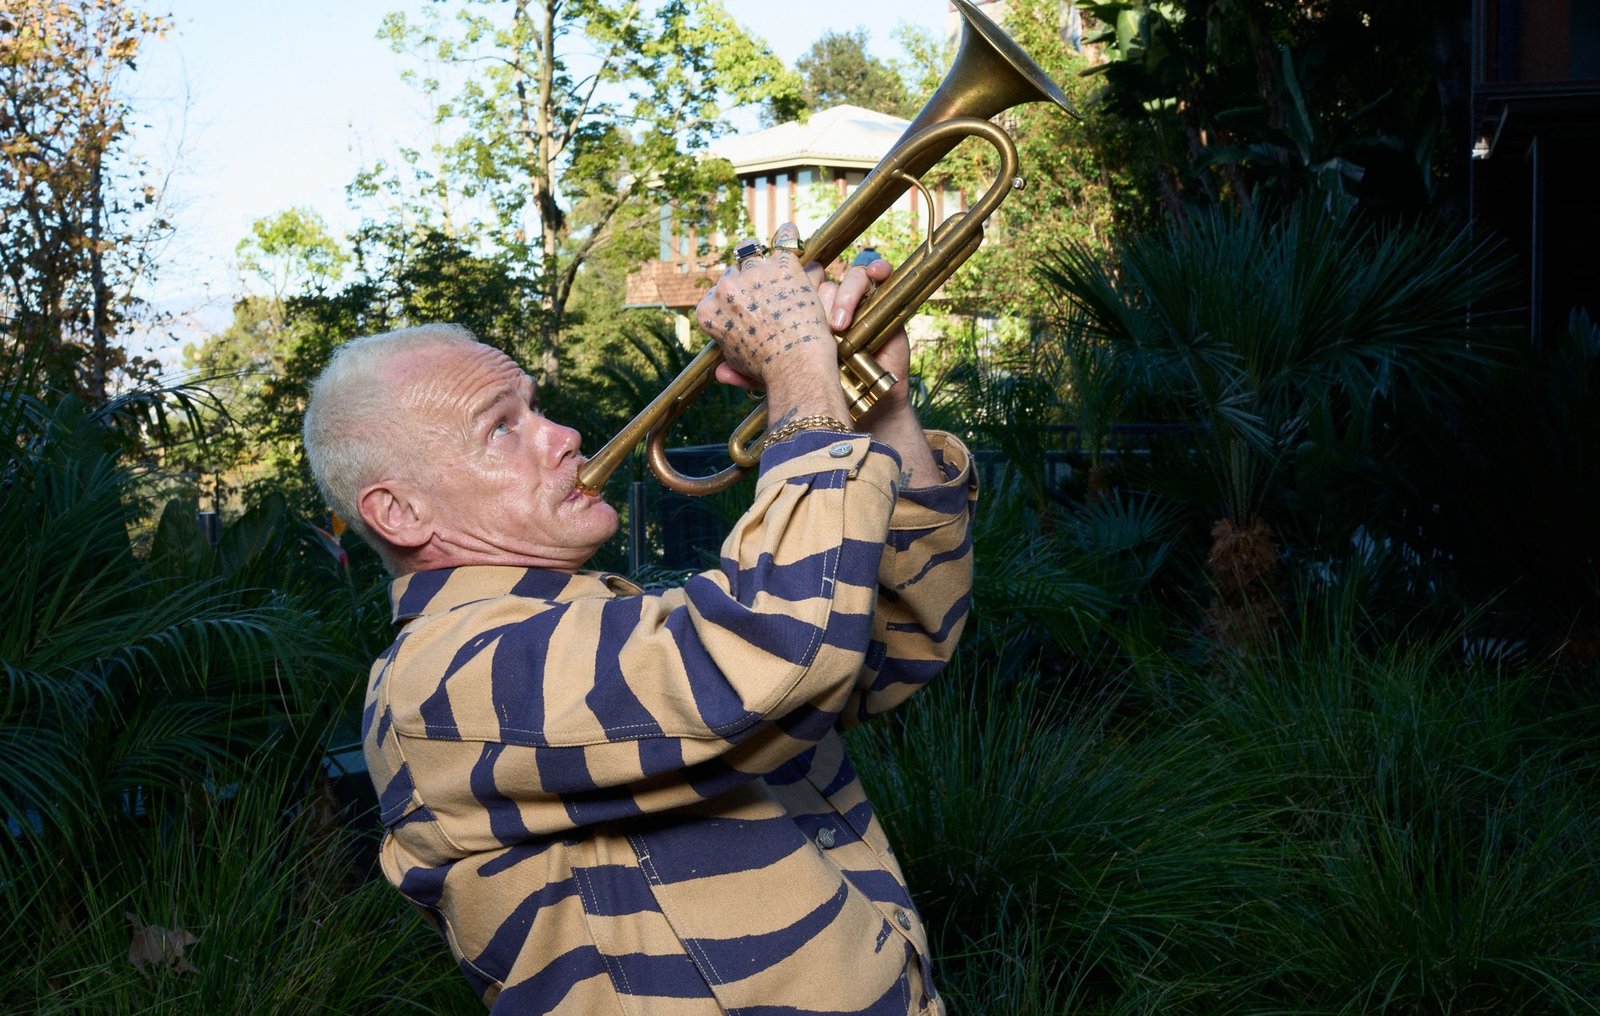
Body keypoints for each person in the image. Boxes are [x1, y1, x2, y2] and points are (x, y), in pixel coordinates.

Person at [302, 221, 976, 1014]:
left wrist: (883, 411)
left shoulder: (612, 617)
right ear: (402, 512)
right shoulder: (441, 686)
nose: (564, 435)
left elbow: (898, 637)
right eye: (501, 427)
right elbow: (776, 654)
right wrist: (798, 365)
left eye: (536, 407)